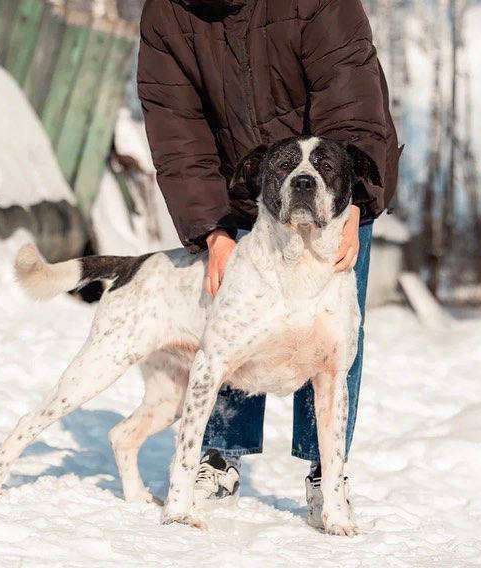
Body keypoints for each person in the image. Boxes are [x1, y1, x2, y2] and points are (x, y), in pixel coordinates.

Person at [136, 0, 401, 520]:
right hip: (244, 189)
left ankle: (327, 469)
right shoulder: (166, 13)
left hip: (330, 183)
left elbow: (351, 93)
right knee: (229, 327)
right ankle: (219, 452)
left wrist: (357, 206)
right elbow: (176, 126)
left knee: (331, 341)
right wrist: (210, 227)